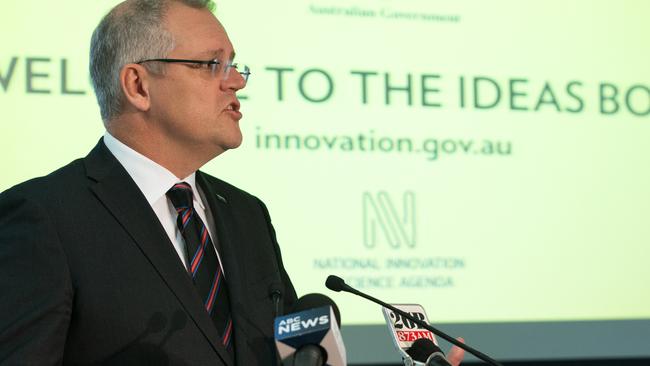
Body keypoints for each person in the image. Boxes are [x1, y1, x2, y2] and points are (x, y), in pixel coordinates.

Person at [0, 0, 296, 364]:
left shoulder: (248, 214)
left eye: (234, 65)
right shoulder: (43, 217)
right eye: (211, 64)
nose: (236, 81)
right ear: (138, 86)